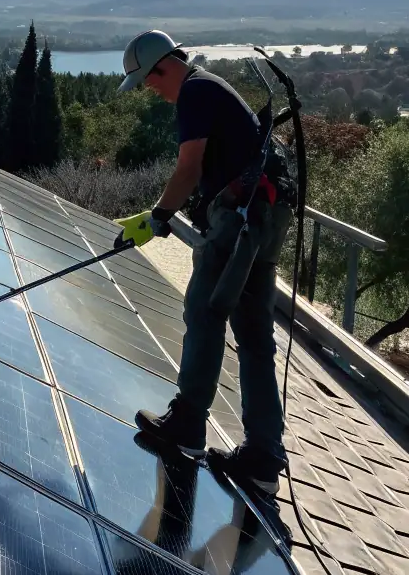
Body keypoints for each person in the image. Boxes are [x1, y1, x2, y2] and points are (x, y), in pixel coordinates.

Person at [113, 30, 292, 496]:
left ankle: (189, 423)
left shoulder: (193, 91)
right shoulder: (210, 86)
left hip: (240, 220)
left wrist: (158, 216)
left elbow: (189, 168)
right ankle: (262, 458)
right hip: (265, 216)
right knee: (254, 335)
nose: (151, 90)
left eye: (149, 81)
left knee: (204, 311)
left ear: (164, 66)